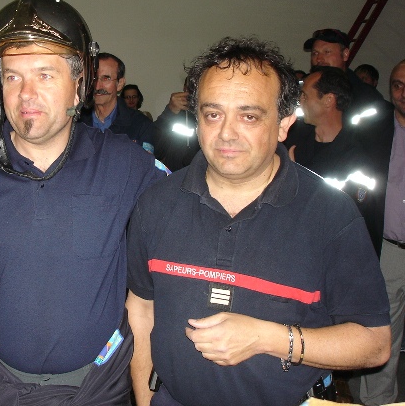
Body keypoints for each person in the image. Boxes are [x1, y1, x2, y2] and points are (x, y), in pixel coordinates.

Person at [126, 37, 390, 406]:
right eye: (213, 114)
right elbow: (141, 308)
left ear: (284, 124)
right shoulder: (156, 203)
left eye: (249, 116)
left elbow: (374, 343)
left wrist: (268, 338)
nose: (226, 133)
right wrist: (145, 399)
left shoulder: (330, 214)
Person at [0, 0, 163, 406]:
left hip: (99, 387)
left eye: (45, 75)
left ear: (78, 86)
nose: (26, 93)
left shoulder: (127, 165)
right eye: (12, 77)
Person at [285, 66, 380, 253]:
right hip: (291, 245)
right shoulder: (295, 144)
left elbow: (350, 218)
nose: (300, 101)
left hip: (326, 252)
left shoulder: (357, 162)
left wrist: (298, 179)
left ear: (328, 100)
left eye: (305, 96)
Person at [359, 59, 405, 405]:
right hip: (390, 250)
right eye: (397, 85)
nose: (403, 93)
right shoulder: (376, 130)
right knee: (386, 327)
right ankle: (380, 399)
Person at [79, 52, 156, 152]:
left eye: (106, 78)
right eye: (94, 78)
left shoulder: (141, 125)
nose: (97, 86)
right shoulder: (75, 121)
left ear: (120, 84)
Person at [303, 29, 385, 119]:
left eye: (327, 52)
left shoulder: (366, 96)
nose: (319, 59)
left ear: (345, 54)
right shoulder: (304, 91)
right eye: (315, 53)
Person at [153, 90, 201, 172]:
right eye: (191, 88)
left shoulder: (215, 115)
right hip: (175, 175)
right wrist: (170, 112)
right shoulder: (175, 115)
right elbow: (155, 150)